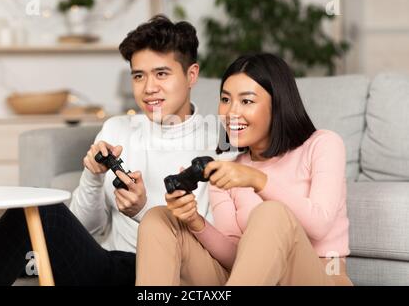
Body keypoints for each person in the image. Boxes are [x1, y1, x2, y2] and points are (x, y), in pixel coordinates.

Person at [0, 15, 218, 286]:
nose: (149, 88)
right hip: (108, 265)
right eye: (139, 76)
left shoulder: (216, 146)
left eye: (161, 74)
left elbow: (209, 251)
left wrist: (143, 211)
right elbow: (85, 227)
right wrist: (93, 177)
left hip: (168, 276)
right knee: (36, 212)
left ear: (191, 75)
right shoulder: (117, 129)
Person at [136, 53, 353, 286]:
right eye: (226, 99)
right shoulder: (230, 171)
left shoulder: (323, 144)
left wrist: (257, 180)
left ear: (277, 104)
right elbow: (234, 257)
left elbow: (319, 225)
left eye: (246, 101)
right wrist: (194, 221)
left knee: (272, 213)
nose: (231, 113)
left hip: (321, 276)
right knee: (158, 219)